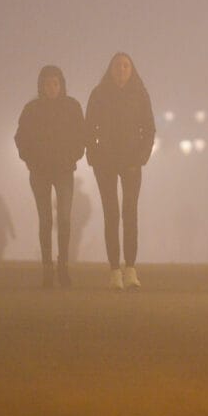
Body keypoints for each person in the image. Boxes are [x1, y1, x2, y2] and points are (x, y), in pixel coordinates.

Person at [86, 52, 155, 290]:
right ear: (110, 68)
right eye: (118, 65)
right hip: (105, 163)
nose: (122, 70)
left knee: (130, 213)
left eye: (126, 66)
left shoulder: (140, 95)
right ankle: (114, 270)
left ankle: (131, 269)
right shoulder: (98, 94)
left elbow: (149, 128)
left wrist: (142, 156)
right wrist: (93, 156)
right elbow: (89, 128)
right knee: (111, 214)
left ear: (132, 69)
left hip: (131, 162)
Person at [15, 65, 86, 287]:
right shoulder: (31, 109)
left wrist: (73, 156)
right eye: (47, 83)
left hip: (64, 171)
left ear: (61, 84)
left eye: (55, 83)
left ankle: (62, 266)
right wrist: (30, 161)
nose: (52, 88)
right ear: (41, 86)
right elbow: (20, 138)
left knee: (64, 219)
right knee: (45, 220)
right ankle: (48, 268)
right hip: (40, 172)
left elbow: (81, 135)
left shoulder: (72, 107)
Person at [68, 177, 93, 263]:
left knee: (74, 241)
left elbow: (87, 211)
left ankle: (71, 258)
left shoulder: (82, 197)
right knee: (72, 240)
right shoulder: (67, 195)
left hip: (77, 224)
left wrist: (83, 222)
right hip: (72, 223)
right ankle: (69, 258)